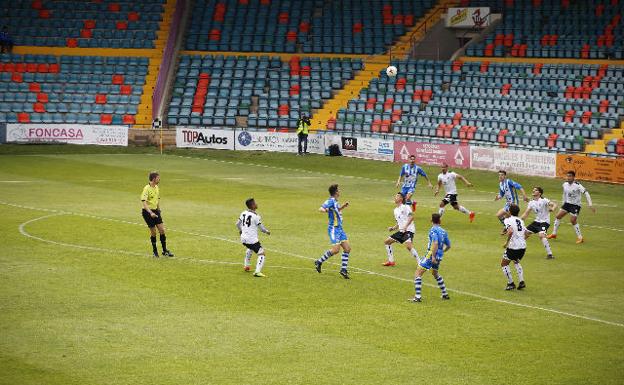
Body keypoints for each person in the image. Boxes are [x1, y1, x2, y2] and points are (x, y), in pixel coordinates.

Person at [409, 213, 451, 303]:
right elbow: (448, 245)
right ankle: (445, 294)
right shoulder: (444, 231)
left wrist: (433, 256)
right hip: (439, 256)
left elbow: (435, 243)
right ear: (440, 221)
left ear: (431, 221)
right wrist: (441, 252)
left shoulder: (433, 230)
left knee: (418, 273)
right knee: (435, 273)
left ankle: (417, 297)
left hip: (432, 255)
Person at [547, 170, 595, 243]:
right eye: (567, 176)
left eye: (570, 176)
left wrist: (590, 205)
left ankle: (580, 238)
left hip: (575, 205)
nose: (568, 177)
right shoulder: (565, 184)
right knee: (558, 216)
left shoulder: (578, 185)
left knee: (572, 220)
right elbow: (564, 194)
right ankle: (554, 234)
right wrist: (563, 202)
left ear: (573, 177)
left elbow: (586, 193)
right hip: (567, 204)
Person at [315, 184, 351, 279]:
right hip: (334, 229)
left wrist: (343, 206)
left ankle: (343, 270)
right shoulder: (330, 201)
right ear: (335, 192)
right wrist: (326, 210)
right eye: (338, 190)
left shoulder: (335, 201)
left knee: (347, 248)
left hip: (340, 228)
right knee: (336, 250)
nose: (340, 191)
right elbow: (321, 208)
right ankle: (319, 261)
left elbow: (336, 210)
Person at [141, 171, 174, 258]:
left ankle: (164, 250)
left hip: (156, 211)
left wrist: (158, 210)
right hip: (147, 212)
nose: (159, 179)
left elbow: (157, 199)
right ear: (154, 178)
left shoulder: (156, 187)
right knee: (153, 232)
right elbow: (144, 202)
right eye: (158, 178)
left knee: (162, 230)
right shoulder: (146, 188)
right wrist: (150, 212)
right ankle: (155, 251)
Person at [382, 192, 420, 266]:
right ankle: (391, 261)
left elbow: (411, 217)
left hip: (409, 230)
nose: (395, 197)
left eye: (397, 196)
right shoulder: (395, 210)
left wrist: (406, 226)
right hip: (401, 231)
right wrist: (393, 228)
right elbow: (399, 222)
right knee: (387, 242)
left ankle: (420, 263)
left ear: (401, 199)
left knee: (409, 246)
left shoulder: (405, 207)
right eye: (395, 196)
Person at [236, 198, 271, 277]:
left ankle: (246, 265)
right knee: (262, 254)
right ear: (252, 205)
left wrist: (241, 231)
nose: (256, 204)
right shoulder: (256, 216)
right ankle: (257, 272)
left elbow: (237, 224)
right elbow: (261, 229)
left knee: (250, 248)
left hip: (243, 238)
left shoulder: (243, 213)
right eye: (255, 203)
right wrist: (267, 231)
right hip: (251, 239)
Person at [520, 187, 556, 259]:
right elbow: (526, 213)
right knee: (525, 234)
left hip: (544, 222)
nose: (533, 191)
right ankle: (518, 250)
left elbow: (554, 204)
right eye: (533, 190)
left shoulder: (544, 200)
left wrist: (552, 208)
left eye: (536, 190)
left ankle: (550, 254)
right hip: (536, 221)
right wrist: (518, 219)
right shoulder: (531, 203)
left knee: (541, 235)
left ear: (539, 193)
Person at [501, 204, 527, 290]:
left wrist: (506, 242)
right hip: (522, 246)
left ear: (510, 211)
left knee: (504, 263)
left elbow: (511, 231)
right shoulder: (521, 221)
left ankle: (511, 283)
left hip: (514, 246)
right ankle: (521, 281)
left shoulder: (507, 220)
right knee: (516, 261)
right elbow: (525, 232)